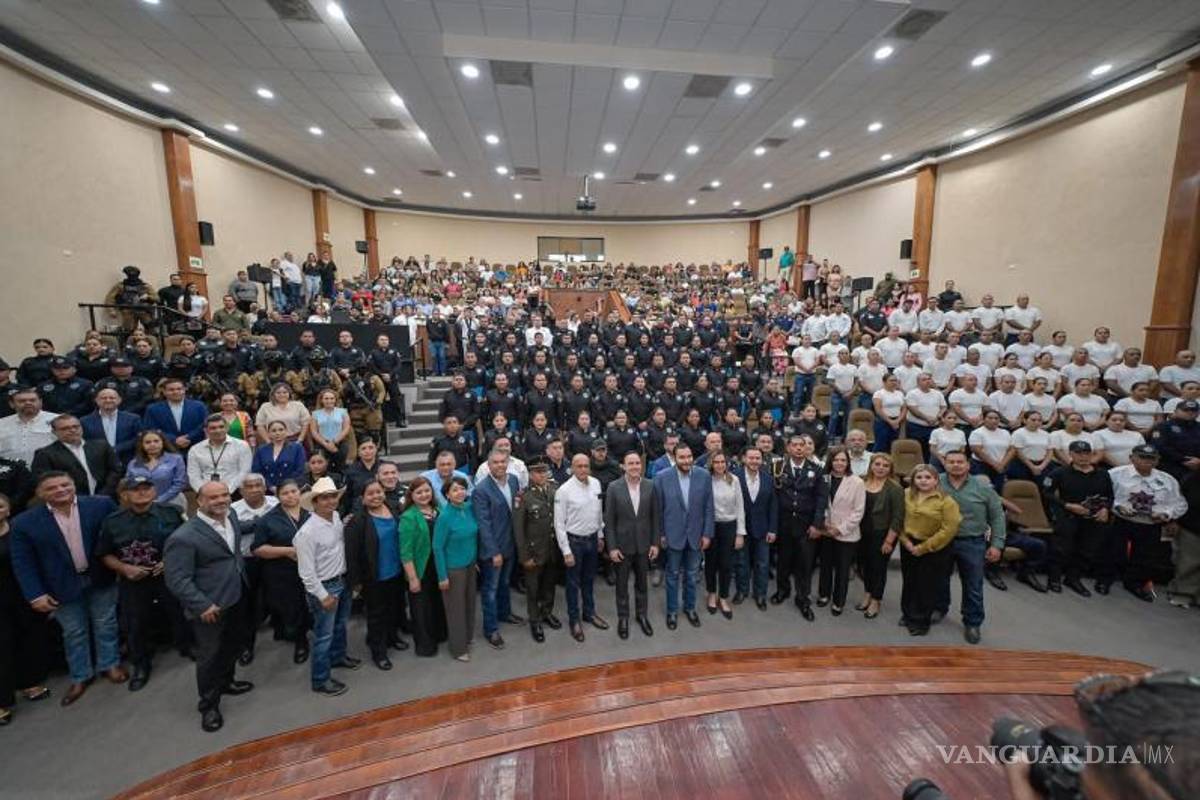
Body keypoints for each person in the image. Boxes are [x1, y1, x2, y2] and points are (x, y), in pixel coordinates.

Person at [9, 472, 123, 705]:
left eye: (65, 485)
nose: (60, 490)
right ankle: (81, 676)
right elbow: (23, 562)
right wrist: (35, 594)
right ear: (40, 494)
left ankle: (110, 665)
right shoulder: (23, 523)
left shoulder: (100, 505)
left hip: (100, 577)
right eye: (52, 488)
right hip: (60, 586)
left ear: (74, 485)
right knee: (74, 632)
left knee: (106, 623)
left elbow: (119, 535)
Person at [165, 481, 254, 731]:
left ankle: (228, 682)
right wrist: (202, 605)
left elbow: (238, 535)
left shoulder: (231, 515)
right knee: (209, 656)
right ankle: (209, 706)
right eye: (213, 497)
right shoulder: (183, 537)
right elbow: (177, 579)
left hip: (236, 596)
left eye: (225, 495)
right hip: (209, 608)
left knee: (231, 646)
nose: (221, 500)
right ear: (200, 501)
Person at [95, 476, 187, 691]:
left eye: (146, 488)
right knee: (136, 624)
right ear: (124, 495)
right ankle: (141, 665)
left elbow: (186, 541)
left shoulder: (171, 512)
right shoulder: (113, 521)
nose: (142, 493)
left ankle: (187, 646)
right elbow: (104, 554)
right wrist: (124, 569)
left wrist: (169, 561)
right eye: (135, 490)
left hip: (169, 575)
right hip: (134, 580)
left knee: (179, 613)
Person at [294, 477, 360, 696]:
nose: (331, 501)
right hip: (324, 586)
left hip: (341, 580)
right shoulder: (306, 533)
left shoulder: (336, 518)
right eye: (325, 497)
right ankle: (320, 679)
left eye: (333, 496)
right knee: (323, 635)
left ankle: (338, 657)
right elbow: (306, 572)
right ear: (315, 502)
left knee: (340, 625)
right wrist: (322, 595)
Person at [935, 450, 1006, 645]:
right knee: (939, 579)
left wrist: (997, 545)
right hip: (941, 541)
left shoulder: (983, 487)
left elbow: (997, 516)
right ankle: (939, 608)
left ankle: (972, 622)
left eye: (960, 462)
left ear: (968, 465)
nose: (956, 465)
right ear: (945, 464)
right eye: (951, 462)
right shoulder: (935, 482)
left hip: (972, 542)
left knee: (973, 585)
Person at [0, 493, 53, 725]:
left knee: (28, 638)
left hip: (24, 594)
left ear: (9, 508)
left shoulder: (20, 530)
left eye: (0, 505)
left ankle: (30, 683)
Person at [1110, 445, 1188, 602]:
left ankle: (1134, 584)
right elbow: (1105, 496)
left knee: (1144, 557)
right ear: (1132, 458)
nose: (1147, 461)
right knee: (1113, 552)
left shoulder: (1167, 479)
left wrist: (1167, 514)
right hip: (1122, 519)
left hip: (1151, 523)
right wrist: (1118, 507)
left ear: (1158, 460)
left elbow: (1180, 504)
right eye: (1143, 457)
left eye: (1151, 458)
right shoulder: (1115, 474)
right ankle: (1104, 580)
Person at [346, 480, 408, 669]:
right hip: (374, 577)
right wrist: (355, 582)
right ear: (363, 499)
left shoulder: (395, 510)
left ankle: (392, 637)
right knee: (376, 615)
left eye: (379, 492)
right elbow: (352, 554)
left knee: (394, 609)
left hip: (396, 572)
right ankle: (378, 651)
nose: (376, 496)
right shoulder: (357, 521)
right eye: (370, 494)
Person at [654, 443, 714, 630]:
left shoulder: (704, 476)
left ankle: (690, 608)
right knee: (672, 575)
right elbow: (658, 511)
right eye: (682, 457)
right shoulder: (661, 478)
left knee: (692, 575)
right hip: (672, 536)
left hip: (696, 536)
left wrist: (707, 533)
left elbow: (708, 507)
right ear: (674, 458)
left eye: (689, 457)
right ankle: (672, 611)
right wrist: (661, 534)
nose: (686, 461)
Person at [250, 480, 311, 665]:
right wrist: (288, 551)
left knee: (305, 606)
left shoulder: (309, 514)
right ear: (278, 497)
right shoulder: (268, 519)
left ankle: (301, 633)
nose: (291, 496)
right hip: (282, 572)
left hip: (307, 571)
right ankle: (301, 641)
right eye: (285, 493)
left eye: (294, 491)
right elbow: (257, 548)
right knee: (292, 607)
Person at [770, 435, 828, 622]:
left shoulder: (816, 470)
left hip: (806, 525)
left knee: (804, 564)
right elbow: (773, 496)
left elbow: (821, 499)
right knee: (783, 561)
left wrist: (817, 524)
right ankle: (782, 590)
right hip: (784, 523)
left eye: (801, 445)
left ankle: (803, 599)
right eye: (794, 445)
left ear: (806, 449)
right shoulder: (778, 468)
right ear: (788, 448)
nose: (798, 449)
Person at [898, 465, 961, 637]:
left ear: (936, 480)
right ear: (913, 480)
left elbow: (949, 529)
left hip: (934, 547)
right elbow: (897, 518)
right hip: (908, 544)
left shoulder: (946, 501)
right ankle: (908, 613)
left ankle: (921, 621)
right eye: (919, 477)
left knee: (926, 584)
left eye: (927, 477)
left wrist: (923, 547)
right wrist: (906, 541)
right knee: (909, 580)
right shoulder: (905, 495)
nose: (923, 481)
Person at [603, 451, 658, 639]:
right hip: (622, 547)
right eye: (631, 463)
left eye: (637, 463)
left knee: (642, 583)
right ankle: (623, 617)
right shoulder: (613, 487)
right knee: (621, 585)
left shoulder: (651, 486)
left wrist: (655, 543)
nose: (635, 466)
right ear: (623, 466)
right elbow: (608, 521)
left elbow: (655, 518)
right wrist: (612, 547)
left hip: (644, 545)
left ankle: (642, 615)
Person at [555, 453, 608, 642]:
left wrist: (601, 535)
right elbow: (559, 524)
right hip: (574, 543)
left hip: (592, 540)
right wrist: (566, 551)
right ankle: (574, 620)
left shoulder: (596, 483)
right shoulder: (564, 491)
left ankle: (589, 612)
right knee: (572, 584)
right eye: (579, 466)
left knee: (589, 580)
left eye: (586, 466)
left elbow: (598, 513)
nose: (583, 469)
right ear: (572, 468)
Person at [473, 449, 524, 649]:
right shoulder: (481, 490)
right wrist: (494, 552)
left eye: (503, 462)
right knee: (490, 590)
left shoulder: (513, 480)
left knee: (504, 583)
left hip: (511, 544)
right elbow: (483, 525)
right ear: (488, 465)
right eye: (496, 462)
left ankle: (505, 613)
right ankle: (491, 629)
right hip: (493, 549)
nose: (500, 465)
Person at [513, 456, 561, 642]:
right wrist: (524, 556)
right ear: (531, 474)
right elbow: (518, 530)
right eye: (537, 472)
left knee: (549, 585)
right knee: (533, 589)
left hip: (552, 549)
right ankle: (535, 620)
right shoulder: (523, 496)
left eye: (544, 471)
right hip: (534, 552)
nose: (542, 475)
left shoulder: (555, 490)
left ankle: (546, 612)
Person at [432, 476, 478, 662]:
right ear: (447, 495)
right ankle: (458, 648)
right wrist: (442, 576)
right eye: (454, 490)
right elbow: (437, 547)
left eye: (462, 489)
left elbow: (472, 536)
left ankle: (466, 637)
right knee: (455, 610)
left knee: (470, 604)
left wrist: (474, 560)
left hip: (469, 565)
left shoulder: (468, 509)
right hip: (453, 569)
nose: (460, 492)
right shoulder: (444, 517)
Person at [818, 448, 865, 616]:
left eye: (843, 460)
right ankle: (824, 595)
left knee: (842, 570)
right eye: (836, 460)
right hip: (826, 531)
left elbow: (858, 512)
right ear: (830, 461)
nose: (839, 463)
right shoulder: (824, 479)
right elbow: (821, 504)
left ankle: (838, 602)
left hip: (847, 534)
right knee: (825, 566)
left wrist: (840, 529)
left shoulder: (857, 482)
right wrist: (824, 524)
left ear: (848, 463)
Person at [31, 414, 121, 497]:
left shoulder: (101, 446)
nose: (72, 430)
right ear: (54, 432)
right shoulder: (45, 454)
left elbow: (116, 470)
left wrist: (105, 492)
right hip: (68, 500)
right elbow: (44, 481)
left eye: (76, 427)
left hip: (105, 496)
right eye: (65, 428)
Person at [705, 451, 745, 619]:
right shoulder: (706, 480)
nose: (720, 465)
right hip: (711, 527)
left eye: (723, 462)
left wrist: (740, 533)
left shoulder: (734, 480)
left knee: (726, 565)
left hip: (730, 526)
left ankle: (723, 597)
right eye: (717, 462)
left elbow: (740, 507)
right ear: (711, 464)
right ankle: (712, 594)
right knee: (711, 563)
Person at [186, 414, 254, 493]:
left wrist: (227, 491)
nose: (218, 430)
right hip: (206, 493)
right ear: (206, 430)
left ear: (227, 428)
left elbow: (244, 472)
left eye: (221, 427)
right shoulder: (195, 449)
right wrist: (204, 492)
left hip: (234, 491)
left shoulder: (242, 445)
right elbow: (193, 476)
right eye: (213, 428)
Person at [142, 378, 207, 452]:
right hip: (166, 449)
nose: (176, 392)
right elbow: (151, 428)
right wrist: (174, 440)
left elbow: (204, 425)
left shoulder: (199, 406)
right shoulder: (153, 409)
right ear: (164, 392)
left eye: (179, 389)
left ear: (185, 390)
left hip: (196, 448)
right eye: (171, 390)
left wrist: (189, 437)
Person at [80, 387, 140, 465]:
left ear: (119, 400)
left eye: (112, 398)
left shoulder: (133, 418)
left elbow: (138, 439)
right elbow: (83, 441)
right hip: (97, 463)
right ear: (97, 401)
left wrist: (117, 448)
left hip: (127, 461)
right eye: (103, 398)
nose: (108, 400)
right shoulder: (84, 421)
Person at [0, 387, 58, 466]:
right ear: (12, 404)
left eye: (32, 400)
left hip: (48, 472)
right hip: (9, 474)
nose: (28, 403)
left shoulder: (57, 420)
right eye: (22, 401)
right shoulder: (2, 424)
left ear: (41, 402)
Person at [251, 420, 307, 492]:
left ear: (286, 431)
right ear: (269, 434)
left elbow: (300, 469)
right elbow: (257, 471)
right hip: (268, 490)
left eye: (281, 430)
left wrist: (285, 487)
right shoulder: (261, 450)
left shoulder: (297, 448)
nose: (277, 433)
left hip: (290, 489)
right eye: (273, 431)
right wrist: (270, 487)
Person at [307, 389, 351, 468]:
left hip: (340, 443)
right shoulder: (315, 414)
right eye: (326, 398)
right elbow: (314, 431)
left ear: (335, 400)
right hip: (322, 444)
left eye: (331, 398)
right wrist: (325, 444)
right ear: (321, 400)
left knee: (340, 467)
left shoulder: (343, 412)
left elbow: (346, 428)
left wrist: (334, 442)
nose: (329, 401)